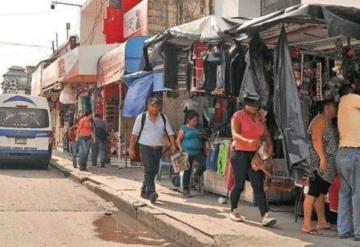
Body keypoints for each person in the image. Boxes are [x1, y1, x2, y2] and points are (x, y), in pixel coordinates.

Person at [229, 97, 276, 227]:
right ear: (245, 105)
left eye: (257, 105)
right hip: (240, 153)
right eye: (253, 105)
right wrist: (247, 141)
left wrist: (269, 145)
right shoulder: (237, 116)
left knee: (258, 184)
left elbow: (265, 134)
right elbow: (234, 134)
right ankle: (233, 209)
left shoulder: (260, 116)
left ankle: (265, 215)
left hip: (256, 154)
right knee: (239, 183)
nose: (256, 107)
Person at [129, 98, 177, 203]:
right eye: (153, 105)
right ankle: (151, 192)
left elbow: (170, 132)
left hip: (158, 148)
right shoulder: (141, 117)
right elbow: (134, 134)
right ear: (148, 106)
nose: (155, 108)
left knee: (153, 170)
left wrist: (173, 144)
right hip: (145, 147)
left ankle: (143, 190)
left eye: (157, 106)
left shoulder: (163, 118)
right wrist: (131, 148)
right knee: (149, 168)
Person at [302, 100, 338, 235]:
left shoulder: (327, 121)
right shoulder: (320, 119)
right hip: (319, 164)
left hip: (326, 166)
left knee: (320, 193)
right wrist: (322, 159)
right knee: (313, 192)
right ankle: (306, 224)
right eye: (334, 106)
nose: (336, 109)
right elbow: (316, 139)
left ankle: (321, 221)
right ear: (327, 107)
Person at [336, 85, 360, 241]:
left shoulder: (341, 106)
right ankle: (359, 232)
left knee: (345, 193)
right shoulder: (350, 99)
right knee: (358, 193)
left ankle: (344, 230)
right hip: (354, 152)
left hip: (342, 153)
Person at [176, 110, 207, 198]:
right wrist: (181, 148)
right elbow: (178, 139)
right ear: (189, 120)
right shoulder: (184, 128)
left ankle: (196, 175)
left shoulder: (199, 127)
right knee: (187, 171)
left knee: (205, 163)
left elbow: (205, 135)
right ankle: (185, 191)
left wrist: (203, 134)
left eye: (197, 120)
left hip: (198, 152)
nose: (195, 122)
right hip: (187, 153)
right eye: (193, 121)